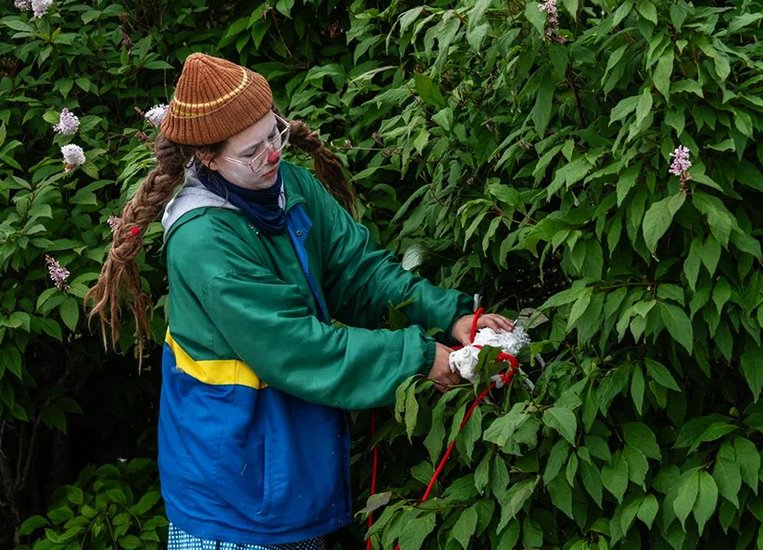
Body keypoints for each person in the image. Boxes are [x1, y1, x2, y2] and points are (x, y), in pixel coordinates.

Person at [86, 53, 514, 549]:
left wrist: (452, 315)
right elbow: (298, 346)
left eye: (275, 135)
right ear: (206, 158)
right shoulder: (203, 241)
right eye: (252, 150)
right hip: (234, 493)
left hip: (290, 466)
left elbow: (360, 270)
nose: (272, 155)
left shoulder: (289, 187)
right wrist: (421, 356)